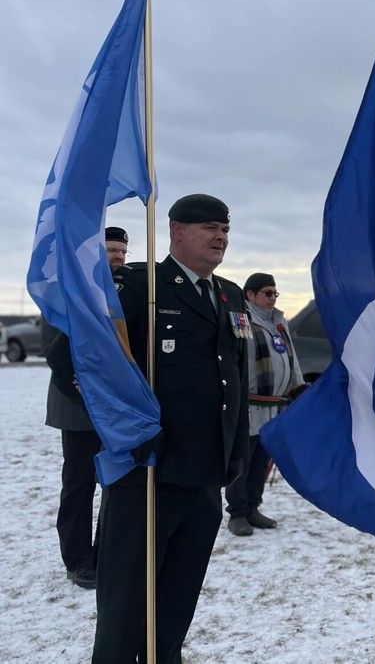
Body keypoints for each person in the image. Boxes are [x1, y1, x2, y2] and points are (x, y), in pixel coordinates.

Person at [92, 194, 249, 663]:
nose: (220, 236)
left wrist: (236, 450)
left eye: (224, 228)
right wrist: (130, 430)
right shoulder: (140, 286)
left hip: (203, 472)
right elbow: (81, 361)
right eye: (208, 227)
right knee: (126, 603)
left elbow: (234, 376)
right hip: (148, 473)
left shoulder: (229, 293)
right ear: (176, 231)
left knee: (178, 597)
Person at [42, 226, 132, 590]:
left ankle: (106, 551)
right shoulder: (69, 288)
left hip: (117, 407)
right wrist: (89, 396)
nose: (117, 258)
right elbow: (56, 351)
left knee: (117, 481)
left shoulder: (128, 291)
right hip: (78, 406)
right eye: (111, 250)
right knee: (79, 484)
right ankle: (77, 559)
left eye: (122, 252)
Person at [225, 272, 306, 536]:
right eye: (267, 293)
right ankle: (237, 512)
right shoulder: (241, 320)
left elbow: (290, 359)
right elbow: (235, 361)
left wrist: (297, 386)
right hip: (249, 405)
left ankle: (253, 507)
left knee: (261, 460)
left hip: (274, 406)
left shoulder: (278, 323)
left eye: (275, 293)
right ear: (250, 294)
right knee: (244, 459)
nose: (272, 298)